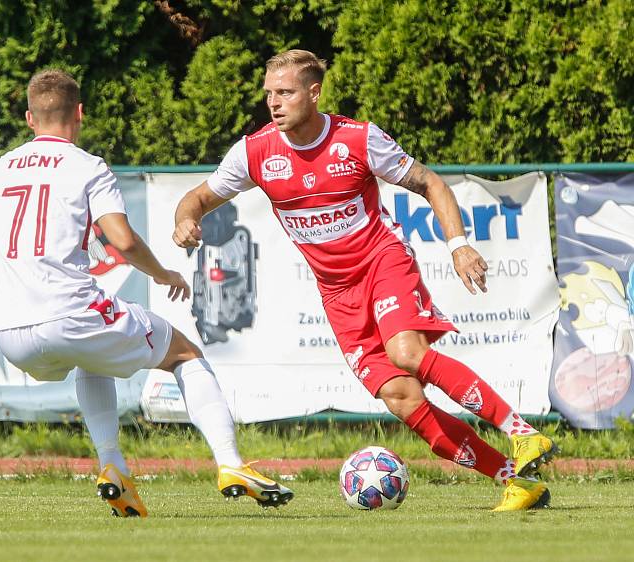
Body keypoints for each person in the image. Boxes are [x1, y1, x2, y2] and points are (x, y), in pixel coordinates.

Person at [173, 50, 558, 511]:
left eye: (285, 93)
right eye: (269, 94)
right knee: (401, 398)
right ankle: (518, 481)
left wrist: (459, 246)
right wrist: (185, 221)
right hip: (336, 292)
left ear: (314, 93)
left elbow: (430, 183)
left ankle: (523, 432)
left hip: (382, 261)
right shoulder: (255, 152)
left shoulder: (357, 140)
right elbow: (195, 198)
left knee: (407, 353)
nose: (273, 103)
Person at [0, 69, 293, 518]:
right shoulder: (87, 166)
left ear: (28, 118)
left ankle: (112, 467)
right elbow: (120, 239)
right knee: (184, 354)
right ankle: (231, 464)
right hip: (71, 314)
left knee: (92, 357)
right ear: (79, 113)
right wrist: (162, 274)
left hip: (9, 333)